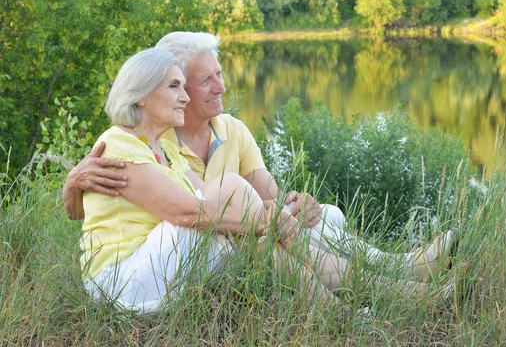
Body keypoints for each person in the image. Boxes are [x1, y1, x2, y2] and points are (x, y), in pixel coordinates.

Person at [64, 31, 458, 286]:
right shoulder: (142, 141)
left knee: (328, 216)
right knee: (238, 210)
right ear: (154, 90)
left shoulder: (223, 132)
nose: (221, 86)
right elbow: (126, 211)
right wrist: (71, 186)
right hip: (189, 247)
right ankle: (369, 288)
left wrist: (292, 205)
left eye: (217, 74)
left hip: (225, 235)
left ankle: (399, 270)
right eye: (202, 81)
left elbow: (269, 195)